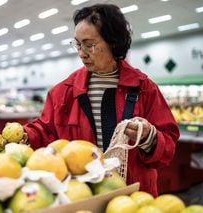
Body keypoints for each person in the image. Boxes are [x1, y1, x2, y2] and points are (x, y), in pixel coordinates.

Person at [23, 4, 179, 196]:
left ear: (113, 42)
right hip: (82, 195)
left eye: (89, 45)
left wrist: (149, 137)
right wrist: (24, 136)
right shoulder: (62, 92)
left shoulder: (144, 89)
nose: (81, 53)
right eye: (78, 44)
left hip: (135, 196)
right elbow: (45, 131)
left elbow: (168, 146)